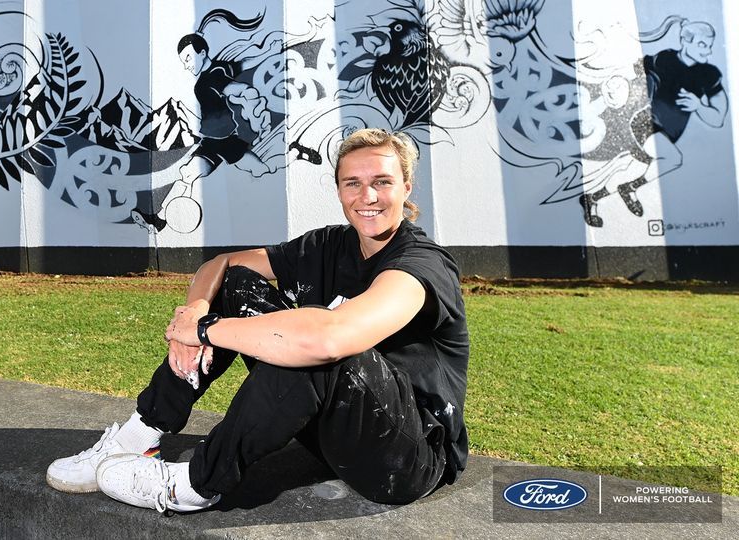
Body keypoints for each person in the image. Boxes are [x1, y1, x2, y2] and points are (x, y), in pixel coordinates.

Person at [49, 128, 469, 513]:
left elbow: (330, 338)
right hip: (332, 432)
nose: (367, 196)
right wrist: (195, 310)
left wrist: (204, 330)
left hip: (405, 458)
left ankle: (195, 485)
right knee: (234, 287)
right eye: (353, 183)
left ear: (406, 187)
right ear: (339, 191)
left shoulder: (420, 264)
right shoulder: (328, 244)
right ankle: (138, 437)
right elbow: (222, 263)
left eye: (382, 181)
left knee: (314, 341)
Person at [131, 9, 278, 233]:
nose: (186, 65)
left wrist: (245, 91)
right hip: (217, 141)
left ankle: (156, 216)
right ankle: (156, 217)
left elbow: (231, 87)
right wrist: (268, 51)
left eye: (188, 58)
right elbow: (244, 63)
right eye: (183, 61)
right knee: (195, 172)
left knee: (256, 171)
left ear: (202, 52)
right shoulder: (220, 67)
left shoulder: (208, 80)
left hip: (225, 140)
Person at [579, 20, 728, 227]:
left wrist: (698, 106)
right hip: (645, 123)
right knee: (673, 158)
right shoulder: (664, 58)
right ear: (685, 41)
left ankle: (592, 198)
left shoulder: (709, 74)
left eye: (710, 45)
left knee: (631, 169)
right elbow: (630, 70)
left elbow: (718, 118)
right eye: (702, 45)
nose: (708, 50)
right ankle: (630, 188)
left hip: (669, 133)